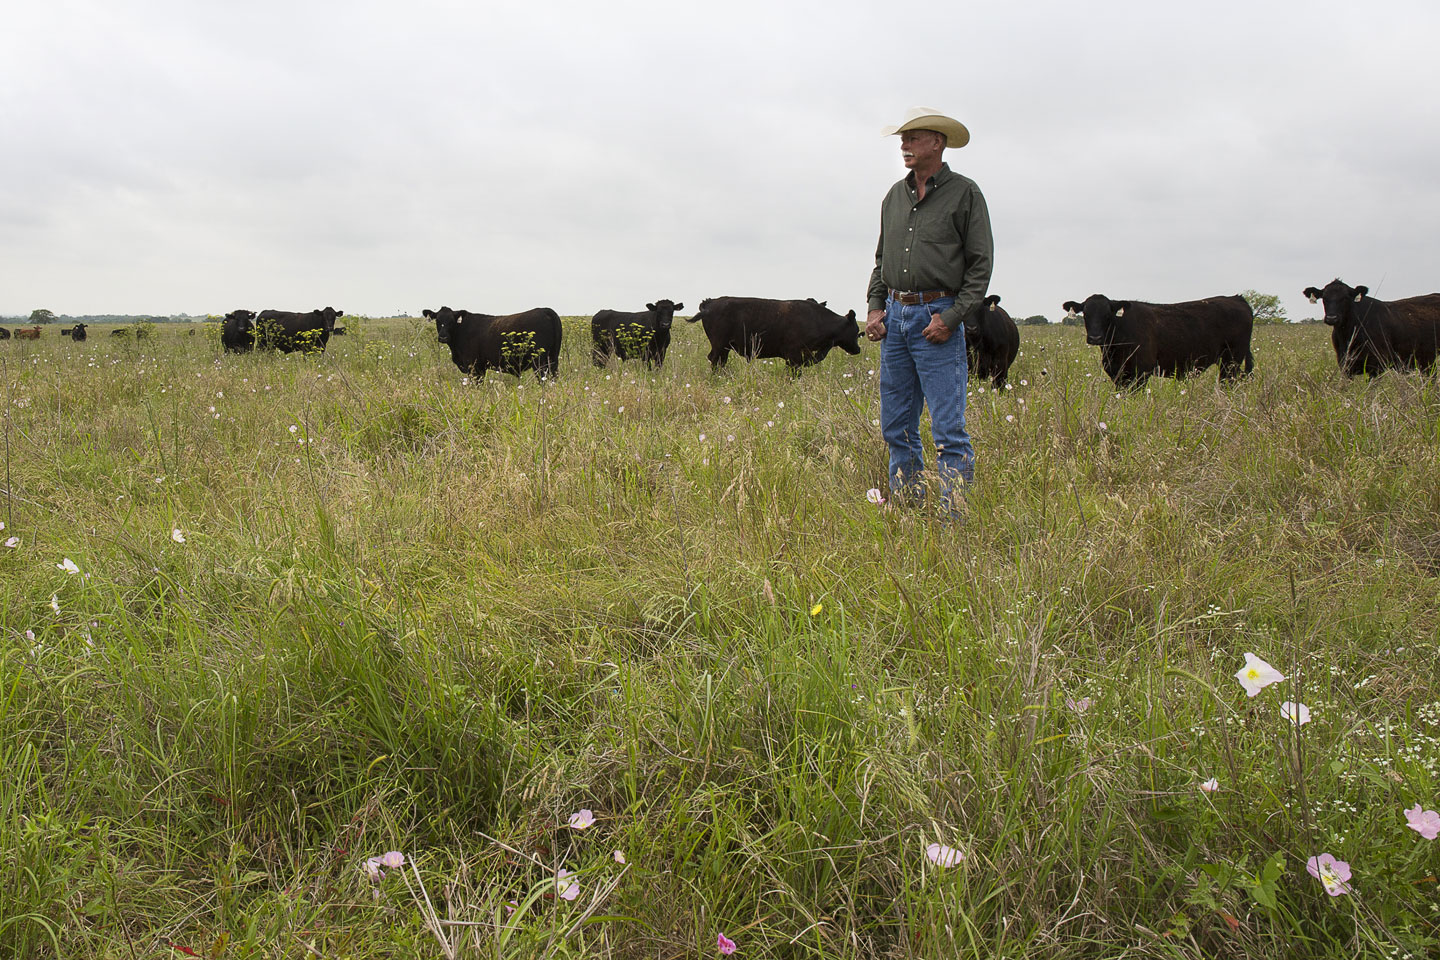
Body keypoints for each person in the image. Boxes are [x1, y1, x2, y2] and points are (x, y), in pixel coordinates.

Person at [866, 106, 993, 512]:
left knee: (947, 429)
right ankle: (906, 505)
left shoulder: (965, 193)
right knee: (896, 426)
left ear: (937, 142)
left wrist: (951, 317)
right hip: (896, 316)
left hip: (936, 316)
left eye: (913, 138)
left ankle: (954, 516)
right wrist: (874, 307)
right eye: (902, 140)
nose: (904, 146)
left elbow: (980, 265)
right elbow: (882, 258)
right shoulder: (894, 196)